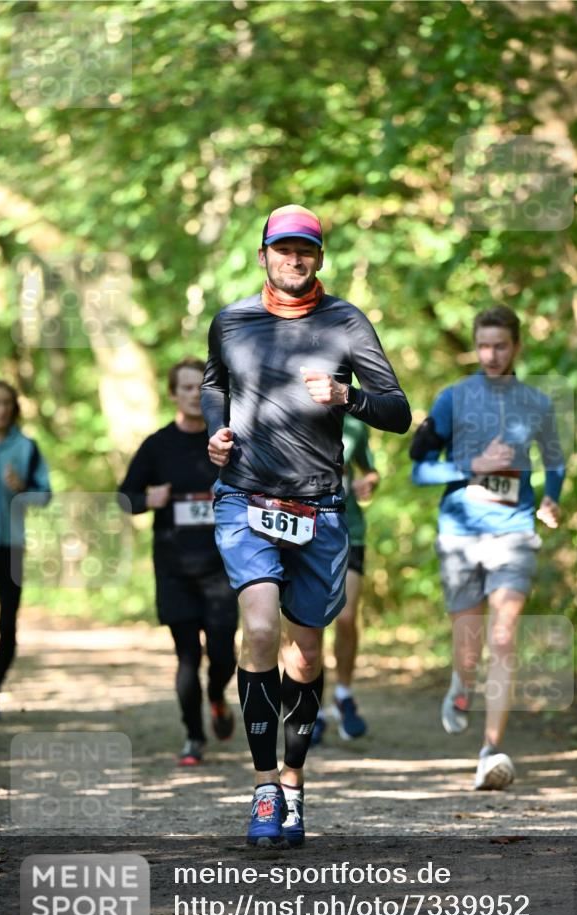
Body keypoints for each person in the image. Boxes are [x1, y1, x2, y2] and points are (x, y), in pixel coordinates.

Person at [202, 204, 411, 846]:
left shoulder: (345, 323)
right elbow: (214, 384)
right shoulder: (231, 321)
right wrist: (217, 431)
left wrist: (348, 397)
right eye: (283, 249)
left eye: (306, 251)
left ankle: (293, 781)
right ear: (264, 254)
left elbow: (398, 412)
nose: (294, 260)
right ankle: (265, 788)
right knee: (260, 630)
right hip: (245, 498)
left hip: (318, 507)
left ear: (318, 258)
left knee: (307, 652)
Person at [411, 305, 565, 790]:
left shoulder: (537, 403)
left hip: (514, 530)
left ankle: (490, 750)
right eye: (484, 345)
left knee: (503, 637)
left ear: (517, 346)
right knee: (471, 649)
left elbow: (555, 462)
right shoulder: (452, 399)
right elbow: (419, 467)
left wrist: (552, 497)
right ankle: (461, 683)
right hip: (459, 533)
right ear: (475, 347)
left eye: (501, 345)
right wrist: (470, 467)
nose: (492, 355)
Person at [119, 359, 238, 765]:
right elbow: (124, 497)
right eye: (185, 387)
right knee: (187, 655)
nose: (192, 394)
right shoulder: (157, 445)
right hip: (174, 567)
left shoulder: (225, 440)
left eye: (199, 388)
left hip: (223, 564)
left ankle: (218, 695)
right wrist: (146, 499)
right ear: (173, 393)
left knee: (223, 653)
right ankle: (194, 738)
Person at [0, 380, 51, 720]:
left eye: (7, 403)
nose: (1, 410)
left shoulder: (26, 447)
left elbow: (45, 495)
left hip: (12, 543)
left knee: (8, 622)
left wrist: (22, 489)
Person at [312, 413, 379, 744]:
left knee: (347, 616)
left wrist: (369, 482)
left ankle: (344, 693)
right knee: (306, 624)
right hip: (301, 531)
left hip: (348, 530)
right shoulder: (282, 407)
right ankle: (313, 707)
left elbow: (370, 470)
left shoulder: (353, 422)